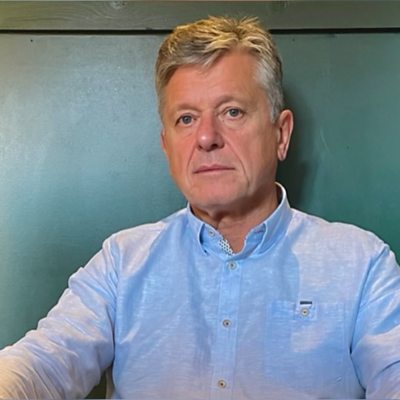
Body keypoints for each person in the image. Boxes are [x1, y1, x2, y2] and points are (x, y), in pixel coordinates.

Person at [0, 15, 399, 400]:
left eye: (232, 112)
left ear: (281, 134)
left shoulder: (362, 265)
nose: (206, 137)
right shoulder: (121, 264)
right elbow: (43, 363)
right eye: (186, 119)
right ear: (167, 147)